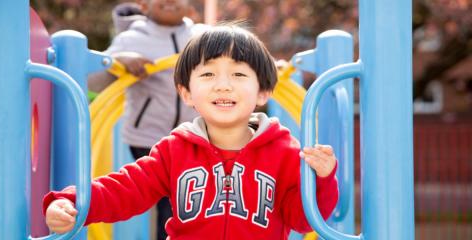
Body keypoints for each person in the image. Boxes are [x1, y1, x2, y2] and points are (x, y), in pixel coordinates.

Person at [44, 24, 339, 239]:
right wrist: (72, 201)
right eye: (208, 74)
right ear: (186, 93)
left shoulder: (285, 151)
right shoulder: (175, 150)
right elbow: (125, 190)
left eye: (238, 74)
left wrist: (323, 180)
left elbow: (302, 220)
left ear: (262, 91)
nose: (223, 84)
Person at [88, 1, 206, 239]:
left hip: (196, 137)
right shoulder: (130, 39)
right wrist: (119, 61)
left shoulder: (203, 36)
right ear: (143, 5)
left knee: (184, 199)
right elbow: (94, 81)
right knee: (172, 198)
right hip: (148, 138)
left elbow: (237, 61)